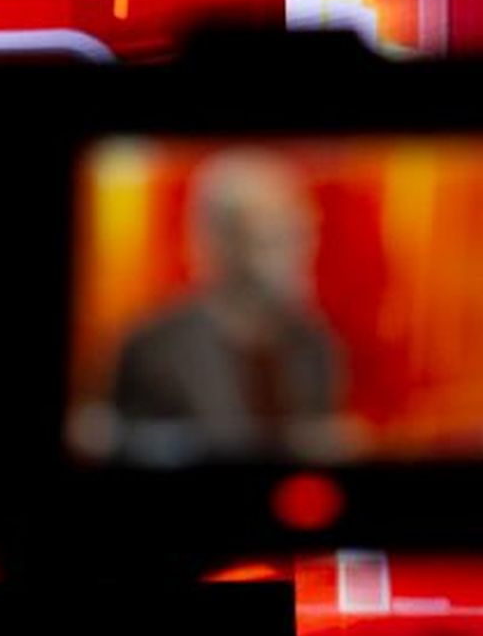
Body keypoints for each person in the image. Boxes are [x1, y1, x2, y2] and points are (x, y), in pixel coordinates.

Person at [98, 148, 355, 466]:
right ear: (217, 241)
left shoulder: (315, 345)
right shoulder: (154, 348)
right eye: (271, 236)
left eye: (299, 233)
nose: (296, 253)